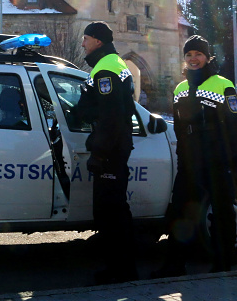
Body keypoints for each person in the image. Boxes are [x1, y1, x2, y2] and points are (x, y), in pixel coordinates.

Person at [152, 35, 237, 278]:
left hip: (219, 161)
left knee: (222, 213)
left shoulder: (223, 85)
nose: (193, 59)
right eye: (189, 55)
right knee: (181, 212)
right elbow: (179, 128)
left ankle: (223, 265)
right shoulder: (180, 88)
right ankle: (174, 265)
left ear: (207, 57)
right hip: (190, 162)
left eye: (198, 54)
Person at [74, 21, 138, 284]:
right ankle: (122, 267)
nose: (83, 43)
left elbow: (110, 118)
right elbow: (106, 110)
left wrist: (99, 153)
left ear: (97, 41)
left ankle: (120, 270)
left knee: (111, 211)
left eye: (86, 38)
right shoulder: (115, 64)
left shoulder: (105, 71)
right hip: (117, 146)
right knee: (115, 210)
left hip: (110, 149)